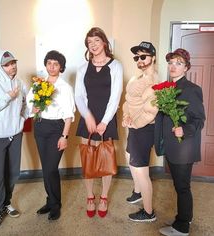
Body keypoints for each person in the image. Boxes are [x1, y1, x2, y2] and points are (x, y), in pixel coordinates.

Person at [156, 48, 206, 236]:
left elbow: (199, 119)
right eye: (171, 63)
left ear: (186, 68)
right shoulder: (168, 88)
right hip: (172, 145)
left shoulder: (192, 89)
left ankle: (182, 226)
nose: (173, 66)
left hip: (184, 146)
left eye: (178, 63)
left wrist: (184, 129)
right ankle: (185, 216)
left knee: (182, 186)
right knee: (179, 185)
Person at [75, 27, 123, 218]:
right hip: (88, 118)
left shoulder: (116, 66)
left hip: (107, 118)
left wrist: (104, 121)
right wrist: (87, 116)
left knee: (105, 158)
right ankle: (89, 196)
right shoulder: (82, 68)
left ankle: (103, 197)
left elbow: (116, 95)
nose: (93, 45)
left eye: (96, 41)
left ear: (104, 42)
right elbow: (79, 95)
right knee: (88, 159)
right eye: (89, 42)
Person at [26, 50, 75, 221]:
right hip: (40, 127)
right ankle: (50, 201)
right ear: (45, 65)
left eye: (56, 64)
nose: (52, 66)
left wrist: (64, 137)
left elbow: (69, 115)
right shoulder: (38, 84)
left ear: (61, 67)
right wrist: (33, 109)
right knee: (46, 169)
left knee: (51, 168)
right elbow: (28, 107)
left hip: (56, 129)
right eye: (49, 63)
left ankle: (55, 205)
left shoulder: (65, 88)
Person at [0, 51, 28, 231]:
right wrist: (7, 97)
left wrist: (22, 119)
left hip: (15, 134)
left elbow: (24, 105)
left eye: (13, 63)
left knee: (13, 173)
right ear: (0, 67)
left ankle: (7, 203)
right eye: (7, 64)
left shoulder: (20, 83)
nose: (12, 67)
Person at [122, 41, 159, 222]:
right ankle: (137, 192)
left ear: (153, 57)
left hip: (144, 130)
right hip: (134, 127)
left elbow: (151, 112)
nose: (139, 60)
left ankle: (148, 212)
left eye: (143, 56)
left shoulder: (155, 82)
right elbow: (128, 102)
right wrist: (126, 116)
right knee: (129, 157)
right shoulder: (137, 78)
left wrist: (135, 123)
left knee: (141, 170)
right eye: (137, 57)